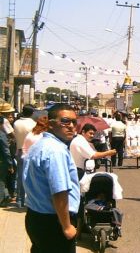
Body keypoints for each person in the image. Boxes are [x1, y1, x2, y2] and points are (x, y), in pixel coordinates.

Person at [23, 103, 80, 252]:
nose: (71, 126)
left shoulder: (40, 144)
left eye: (74, 122)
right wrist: (67, 227)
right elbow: (59, 192)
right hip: (53, 222)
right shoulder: (56, 151)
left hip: (36, 216)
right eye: (65, 121)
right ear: (51, 123)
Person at [13, 104, 36, 208]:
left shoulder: (16, 123)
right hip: (31, 152)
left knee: (20, 176)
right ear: (32, 113)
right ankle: (29, 200)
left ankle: (19, 199)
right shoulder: (33, 124)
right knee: (31, 177)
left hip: (19, 151)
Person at [0, 116, 14, 207]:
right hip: (1, 161)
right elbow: (6, 150)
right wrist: (10, 164)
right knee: (1, 180)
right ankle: (1, 200)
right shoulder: (1, 134)